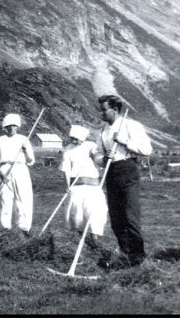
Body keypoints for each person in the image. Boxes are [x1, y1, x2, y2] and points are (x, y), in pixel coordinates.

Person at [94, 95, 153, 266]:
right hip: (110, 172)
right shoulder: (103, 131)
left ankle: (138, 257)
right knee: (116, 218)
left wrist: (125, 142)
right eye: (101, 110)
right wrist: (103, 159)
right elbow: (97, 154)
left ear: (115, 109)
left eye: (104, 110)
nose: (101, 114)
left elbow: (147, 149)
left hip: (127, 169)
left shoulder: (131, 126)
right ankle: (125, 255)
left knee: (130, 216)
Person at [60, 125, 108, 249]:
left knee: (95, 212)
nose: (74, 141)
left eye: (77, 139)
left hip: (93, 186)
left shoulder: (90, 146)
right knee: (76, 213)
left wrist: (103, 158)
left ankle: (94, 239)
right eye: (72, 138)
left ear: (83, 138)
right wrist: (67, 185)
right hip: (76, 186)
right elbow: (66, 169)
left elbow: (98, 157)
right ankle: (76, 239)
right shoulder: (68, 150)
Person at [0, 113, 35, 234]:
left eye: (14, 126)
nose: (11, 128)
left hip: (20, 170)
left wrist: (25, 151)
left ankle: (24, 230)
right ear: (5, 127)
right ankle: (5, 229)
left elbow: (31, 160)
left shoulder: (23, 139)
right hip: (4, 169)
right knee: (4, 199)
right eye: (8, 126)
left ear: (18, 127)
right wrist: (1, 174)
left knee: (23, 198)